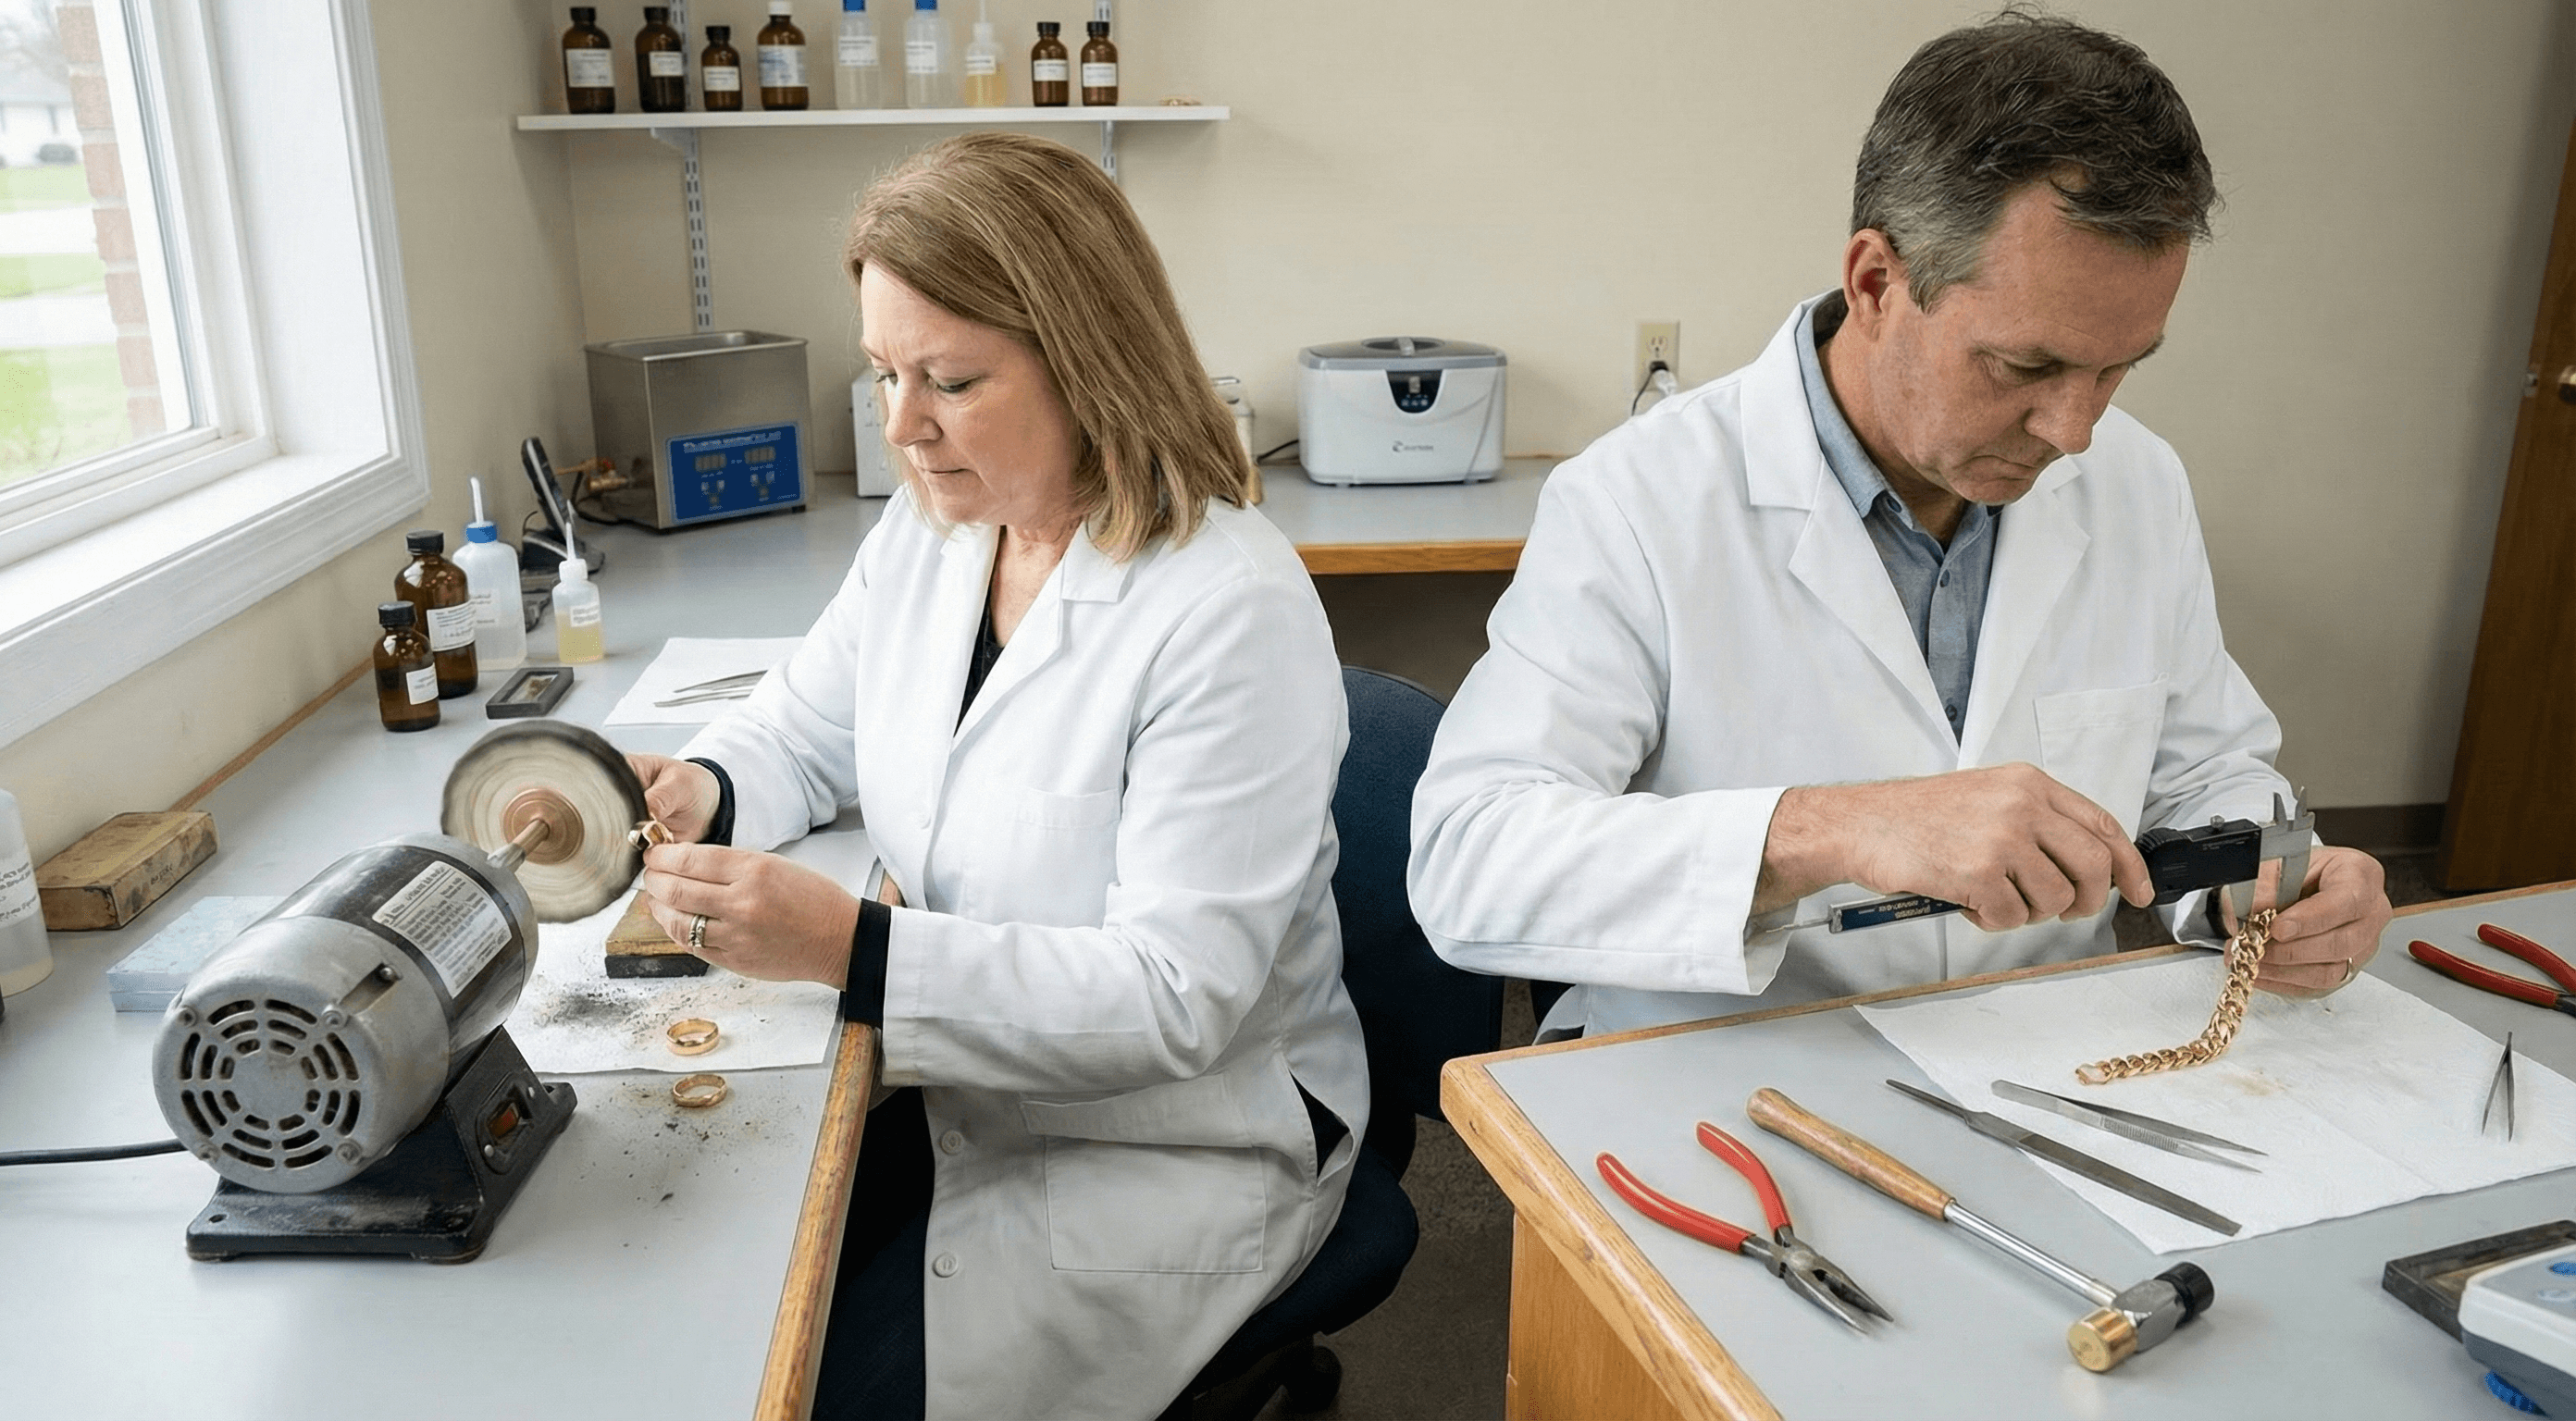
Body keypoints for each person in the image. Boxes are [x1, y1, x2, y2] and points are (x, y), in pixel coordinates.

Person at [1408, 10, 2394, 1039]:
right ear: (1877, 283)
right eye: (2026, 366)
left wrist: (2275, 880)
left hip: (2040, 1054)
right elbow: (1471, 863)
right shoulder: (1640, 499)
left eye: (2116, 369)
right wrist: (1831, 829)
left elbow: (2198, 773)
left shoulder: (2136, 481)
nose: (2075, 430)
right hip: (1721, 1067)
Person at [624, 132, 1368, 1420]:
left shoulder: (1228, 607)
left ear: (1088, 359)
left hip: (1177, 1140)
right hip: (973, 1093)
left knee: (811, 1393)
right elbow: (806, 729)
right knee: (698, 1316)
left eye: (952, 380)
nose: (902, 426)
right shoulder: (933, 533)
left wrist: (854, 948)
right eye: (884, 374)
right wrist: (703, 787)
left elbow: (1172, 998)